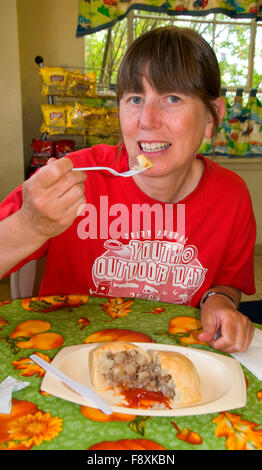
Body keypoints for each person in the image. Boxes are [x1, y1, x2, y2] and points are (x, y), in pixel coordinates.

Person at [0, 26, 256, 353]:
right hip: (68, 359)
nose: (146, 120)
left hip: (176, 360)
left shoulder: (230, 197)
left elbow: (228, 283)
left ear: (211, 117)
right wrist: (28, 225)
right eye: (135, 99)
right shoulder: (75, 176)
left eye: (172, 98)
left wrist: (218, 301)